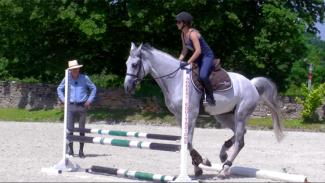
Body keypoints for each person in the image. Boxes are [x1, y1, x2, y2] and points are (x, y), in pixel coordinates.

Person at [57, 60, 97, 158]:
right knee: (70, 129)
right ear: (70, 70)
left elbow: (94, 88)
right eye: (74, 69)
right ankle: (71, 150)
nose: (76, 70)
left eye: (77, 68)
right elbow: (59, 89)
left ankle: (81, 151)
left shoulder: (85, 78)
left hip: (82, 106)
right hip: (70, 106)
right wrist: (63, 99)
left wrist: (90, 100)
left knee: (81, 129)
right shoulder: (66, 78)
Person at [176, 11, 216, 105]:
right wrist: (178, 61)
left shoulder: (193, 34)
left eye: (178, 22)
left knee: (203, 75)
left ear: (184, 23)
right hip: (198, 57)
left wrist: (188, 61)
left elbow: (198, 51)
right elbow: (184, 50)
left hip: (207, 56)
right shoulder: (183, 34)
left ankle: (211, 97)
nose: (176, 24)